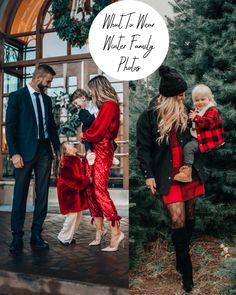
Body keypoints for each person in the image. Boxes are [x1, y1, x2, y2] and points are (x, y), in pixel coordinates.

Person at [136, 65, 205, 293]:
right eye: (181, 95)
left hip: (188, 172)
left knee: (191, 214)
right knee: (178, 219)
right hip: (168, 176)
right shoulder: (149, 116)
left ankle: (180, 252)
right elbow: (143, 149)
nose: (184, 98)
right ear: (169, 96)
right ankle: (187, 271)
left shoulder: (184, 110)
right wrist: (148, 176)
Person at [6, 64, 60, 253]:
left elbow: (51, 126)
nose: (49, 85)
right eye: (48, 81)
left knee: (43, 195)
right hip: (23, 154)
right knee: (19, 195)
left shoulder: (46, 100)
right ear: (38, 79)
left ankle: (37, 234)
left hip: (44, 152)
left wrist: (58, 149)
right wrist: (14, 153)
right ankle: (16, 236)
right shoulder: (17, 97)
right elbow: (10, 127)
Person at [81, 75, 124, 252]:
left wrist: (85, 135)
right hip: (98, 148)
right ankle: (100, 230)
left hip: (103, 148)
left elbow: (98, 130)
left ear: (98, 89)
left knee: (99, 190)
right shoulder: (105, 106)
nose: (91, 94)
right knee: (90, 188)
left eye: (92, 90)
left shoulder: (109, 105)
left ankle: (116, 233)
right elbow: (96, 128)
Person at [174, 84, 224, 182]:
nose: (200, 102)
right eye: (197, 100)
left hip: (204, 140)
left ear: (209, 99)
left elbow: (209, 123)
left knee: (188, 148)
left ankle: (187, 172)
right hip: (197, 137)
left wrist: (196, 118)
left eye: (203, 99)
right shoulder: (198, 110)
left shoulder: (212, 110)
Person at [71, 88, 120, 166]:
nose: (76, 106)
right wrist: (97, 116)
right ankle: (89, 153)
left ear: (83, 98)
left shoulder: (96, 104)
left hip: (101, 128)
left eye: (76, 103)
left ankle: (111, 155)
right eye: (74, 105)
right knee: (85, 132)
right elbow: (87, 121)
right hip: (91, 128)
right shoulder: (81, 113)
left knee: (108, 139)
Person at [57, 141, 91, 245]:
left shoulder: (76, 159)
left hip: (75, 192)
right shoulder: (66, 162)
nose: (73, 144)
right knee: (72, 216)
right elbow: (71, 179)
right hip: (68, 193)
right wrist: (87, 180)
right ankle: (63, 237)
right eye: (69, 145)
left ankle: (69, 236)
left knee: (78, 215)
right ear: (66, 151)